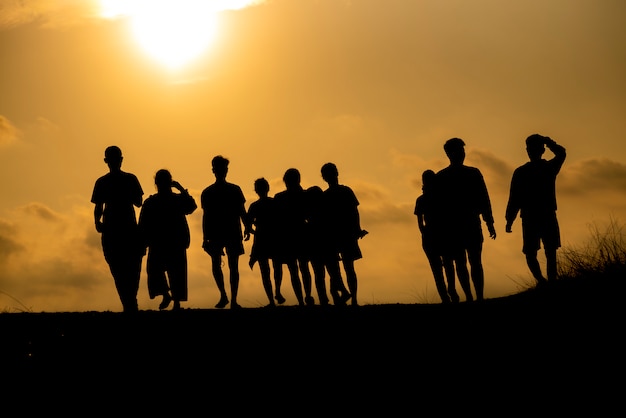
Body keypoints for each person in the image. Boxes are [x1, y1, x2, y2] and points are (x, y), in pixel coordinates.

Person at [435, 138, 496, 302]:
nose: (462, 154)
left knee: (474, 261)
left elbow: (484, 198)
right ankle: (471, 296)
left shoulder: (472, 173)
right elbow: (437, 208)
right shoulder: (441, 177)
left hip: (470, 223)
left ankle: (478, 296)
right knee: (462, 262)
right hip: (453, 226)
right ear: (449, 153)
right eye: (458, 150)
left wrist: (489, 221)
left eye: (462, 150)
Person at [505, 134, 566, 285]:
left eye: (533, 147)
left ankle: (548, 281)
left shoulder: (544, 168)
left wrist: (510, 220)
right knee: (536, 251)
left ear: (540, 150)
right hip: (534, 215)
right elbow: (514, 198)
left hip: (540, 215)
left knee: (546, 250)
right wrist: (509, 219)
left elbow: (514, 199)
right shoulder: (529, 171)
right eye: (529, 148)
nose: (530, 150)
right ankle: (543, 280)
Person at [91, 145, 144, 313]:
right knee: (123, 268)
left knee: (125, 268)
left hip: (121, 229)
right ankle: (129, 303)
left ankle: (129, 303)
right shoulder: (122, 180)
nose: (115, 162)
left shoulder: (106, 181)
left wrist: (97, 222)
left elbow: (138, 202)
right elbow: (138, 202)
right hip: (118, 230)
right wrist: (97, 221)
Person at [138, 169, 197, 311]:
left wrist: (181, 189)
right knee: (160, 270)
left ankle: (174, 301)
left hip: (172, 241)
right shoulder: (154, 202)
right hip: (163, 242)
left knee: (174, 272)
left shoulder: (172, 200)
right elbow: (143, 224)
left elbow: (191, 207)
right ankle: (168, 296)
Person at [201, 155, 250, 309]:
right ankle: (226, 297)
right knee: (222, 265)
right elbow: (206, 216)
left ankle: (230, 298)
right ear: (214, 170)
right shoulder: (211, 192)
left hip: (228, 231)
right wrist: (205, 237)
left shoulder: (214, 191)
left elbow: (242, 211)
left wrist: (247, 226)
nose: (222, 171)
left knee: (229, 265)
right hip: (221, 232)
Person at [320, 162, 368, 306]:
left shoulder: (326, 195)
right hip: (345, 233)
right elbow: (355, 212)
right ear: (337, 173)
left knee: (336, 270)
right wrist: (357, 229)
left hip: (336, 235)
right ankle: (353, 299)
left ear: (324, 177)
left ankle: (346, 298)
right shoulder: (346, 191)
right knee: (348, 268)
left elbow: (325, 218)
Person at [414, 169, 457, 303]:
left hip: (431, 236)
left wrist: (425, 234)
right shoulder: (443, 197)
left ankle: (445, 296)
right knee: (448, 265)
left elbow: (420, 223)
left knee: (437, 269)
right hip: (442, 234)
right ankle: (451, 292)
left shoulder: (421, 200)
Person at [273, 168, 314, 306]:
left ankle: (302, 300)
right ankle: (307, 296)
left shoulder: (279, 198)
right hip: (300, 234)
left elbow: (277, 220)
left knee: (295, 270)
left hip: (288, 236)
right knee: (303, 268)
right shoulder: (305, 195)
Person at [246, 177, 285, 307]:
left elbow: (248, 224)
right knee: (276, 267)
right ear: (267, 188)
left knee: (265, 271)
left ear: (256, 190)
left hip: (262, 239)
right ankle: (277, 292)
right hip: (275, 238)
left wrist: (254, 231)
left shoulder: (255, 206)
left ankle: (272, 300)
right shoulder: (275, 203)